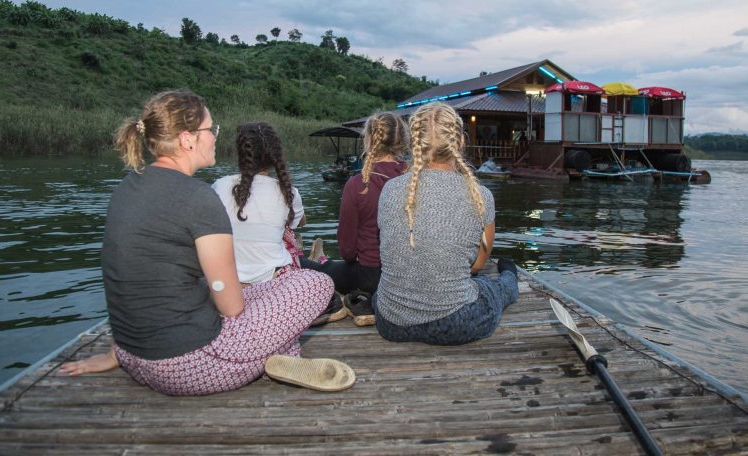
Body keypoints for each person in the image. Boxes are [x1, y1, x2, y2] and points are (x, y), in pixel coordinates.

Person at [59, 90, 355, 394]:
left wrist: (117, 352)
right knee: (314, 283)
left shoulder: (128, 186)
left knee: (259, 290)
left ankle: (277, 351)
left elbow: (133, 279)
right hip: (191, 365)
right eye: (210, 129)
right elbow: (230, 306)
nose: (215, 136)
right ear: (188, 139)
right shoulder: (198, 197)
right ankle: (278, 352)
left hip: (131, 354)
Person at [373, 102, 519, 345]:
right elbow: (478, 265)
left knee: (382, 292)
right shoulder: (481, 196)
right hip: (454, 324)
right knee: (492, 288)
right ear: (460, 142)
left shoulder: (389, 189)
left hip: (390, 322)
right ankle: (510, 276)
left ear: (413, 144)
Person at [211, 122, 346, 324]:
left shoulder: (219, 186)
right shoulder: (287, 192)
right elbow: (300, 223)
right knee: (320, 279)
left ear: (241, 154)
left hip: (229, 287)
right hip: (274, 286)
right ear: (275, 156)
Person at [301, 111, 408, 326]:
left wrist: (354, 258)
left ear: (368, 140)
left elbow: (347, 251)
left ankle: (310, 262)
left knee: (311, 266)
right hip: (406, 276)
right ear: (402, 141)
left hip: (369, 276)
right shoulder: (414, 180)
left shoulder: (358, 184)